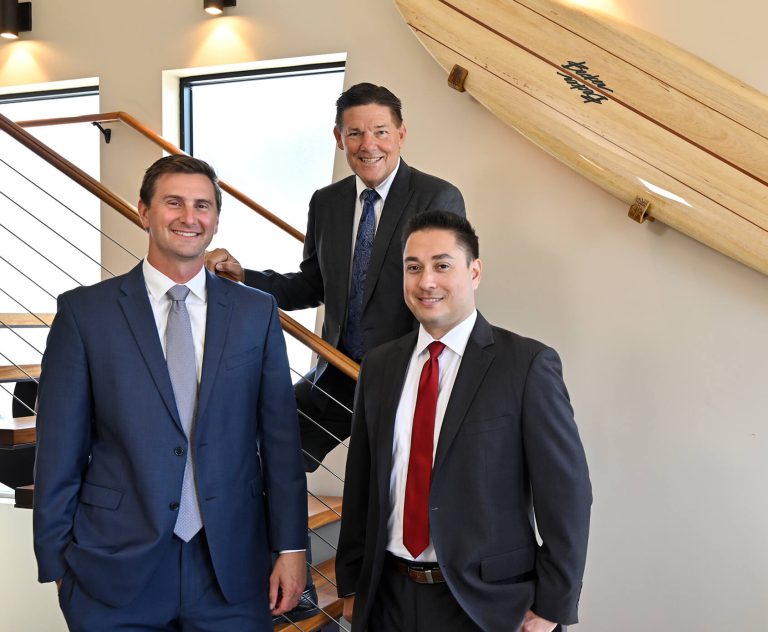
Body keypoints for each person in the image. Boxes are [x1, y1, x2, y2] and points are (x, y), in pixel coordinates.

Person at [33, 155, 308, 630]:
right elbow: (59, 449)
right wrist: (57, 563)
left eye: (203, 205)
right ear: (143, 211)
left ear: (216, 219)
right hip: (115, 569)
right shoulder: (84, 314)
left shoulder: (255, 313)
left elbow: (282, 445)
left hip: (231, 569)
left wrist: (291, 548)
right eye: (173, 202)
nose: (189, 217)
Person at [336, 211, 592, 632]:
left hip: (486, 607)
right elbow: (362, 481)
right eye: (413, 268)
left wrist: (551, 608)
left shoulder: (526, 365)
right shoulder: (379, 366)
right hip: (388, 600)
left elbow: (567, 497)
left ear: (474, 272)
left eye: (442, 265)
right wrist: (351, 584)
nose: (426, 281)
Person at [206, 83, 466, 471]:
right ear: (338, 138)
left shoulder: (436, 197)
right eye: (355, 133)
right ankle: (277, 532)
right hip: (337, 370)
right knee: (267, 447)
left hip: (403, 376)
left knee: (381, 489)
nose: (368, 144)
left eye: (380, 131)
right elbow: (313, 285)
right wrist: (244, 276)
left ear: (400, 134)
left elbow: (445, 298)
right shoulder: (326, 202)